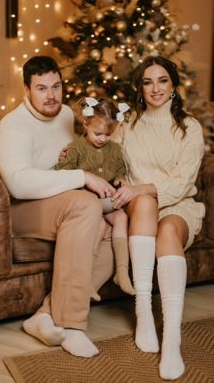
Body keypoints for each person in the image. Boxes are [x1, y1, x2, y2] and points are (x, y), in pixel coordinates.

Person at [0, 55, 116, 359]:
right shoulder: (13, 126)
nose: (51, 95)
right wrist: (82, 176)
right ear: (26, 90)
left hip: (59, 202)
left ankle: (45, 316)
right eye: (42, 88)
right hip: (19, 210)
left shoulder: (63, 115)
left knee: (112, 224)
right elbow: (18, 184)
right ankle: (71, 324)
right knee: (88, 206)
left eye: (56, 86)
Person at [113, 56, 205, 380]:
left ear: (174, 85)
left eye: (162, 80)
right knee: (143, 204)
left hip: (179, 206)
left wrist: (144, 187)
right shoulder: (127, 126)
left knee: (166, 231)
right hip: (140, 208)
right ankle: (143, 310)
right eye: (148, 82)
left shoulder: (189, 128)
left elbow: (182, 183)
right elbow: (112, 166)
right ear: (140, 87)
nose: (155, 88)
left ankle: (172, 339)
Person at [54, 96, 134, 297]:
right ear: (86, 124)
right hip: (88, 202)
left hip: (108, 200)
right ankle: (87, 278)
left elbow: (119, 169)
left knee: (122, 218)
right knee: (98, 225)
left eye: (108, 135)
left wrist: (121, 179)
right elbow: (63, 175)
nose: (102, 139)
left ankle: (122, 272)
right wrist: (62, 164)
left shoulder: (114, 149)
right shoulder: (75, 148)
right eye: (97, 133)